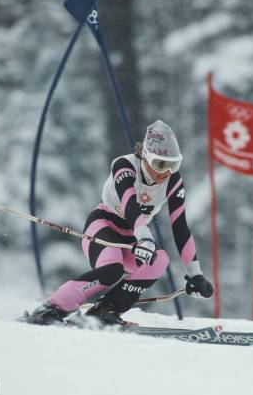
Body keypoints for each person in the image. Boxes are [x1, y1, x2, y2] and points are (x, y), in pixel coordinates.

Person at [28, 120, 214, 326]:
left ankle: (105, 310)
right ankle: (52, 307)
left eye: (173, 165)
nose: (166, 172)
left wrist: (195, 274)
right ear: (145, 156)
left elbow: (179, 226)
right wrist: (144, 238)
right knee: (112, 269)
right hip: (103, 225)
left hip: (131, 237)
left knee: (160, 260)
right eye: (161, 164)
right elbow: (130, 205)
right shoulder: (124, 166)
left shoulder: (173, 181)